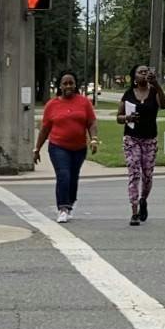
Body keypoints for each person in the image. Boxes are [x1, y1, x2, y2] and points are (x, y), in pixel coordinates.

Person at [34, 70, 99, 224]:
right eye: (65, 83)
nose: (68, 86)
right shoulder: (52, 105)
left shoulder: (84, 102)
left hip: (79, 147)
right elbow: (45, 129)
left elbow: (91, 122)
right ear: (60, 86)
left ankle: (69, 204)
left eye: (71, 83)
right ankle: (62, 208)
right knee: (64, 175)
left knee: (73, 177)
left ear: (75, 85)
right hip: (58, 146)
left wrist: (94, 139)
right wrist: (36, 149)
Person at [118, 63, 165, 224]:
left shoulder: (154, 92)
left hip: (149, 139)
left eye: (147, 71)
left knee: (147, 175)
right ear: (134, 76)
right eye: (141, 72)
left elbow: (164, 105)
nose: (145, 74)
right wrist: (127, 118)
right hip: (131, 138)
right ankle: (134, 212)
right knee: (134, 173)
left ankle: (143, 200)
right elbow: (119, 117)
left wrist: (157, 85)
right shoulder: (128, 94)